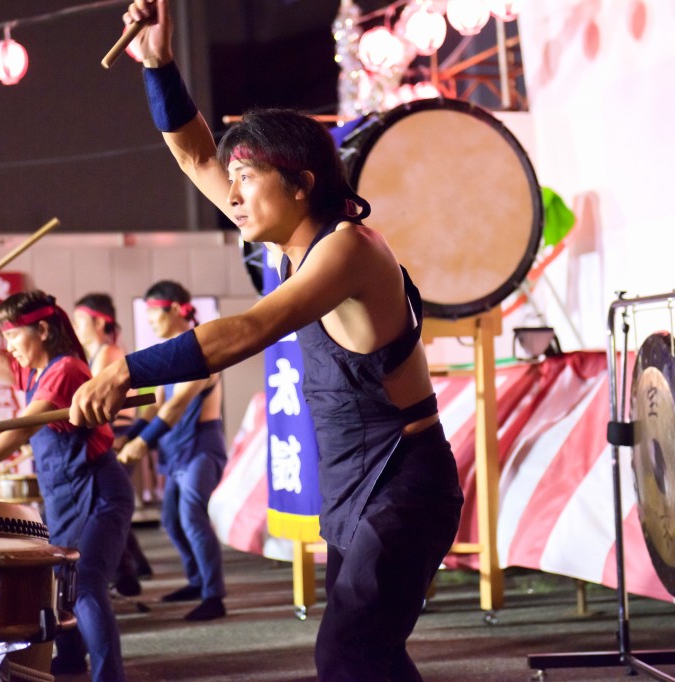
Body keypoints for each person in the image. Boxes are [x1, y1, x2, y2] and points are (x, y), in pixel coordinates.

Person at [71, 2, 463, 679]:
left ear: (301, 184)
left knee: (348, 652)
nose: (236, 193)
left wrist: (124, 372)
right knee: (369, 654)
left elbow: (247, 330)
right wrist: (160, 63)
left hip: (404, 481)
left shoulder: (349, 248)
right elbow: (194, 151)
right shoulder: (289, 242)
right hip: (356, 480)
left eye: (249, 178)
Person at [0, 272, 132, 682]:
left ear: (43, 330)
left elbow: (23, 426)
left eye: (15, 337)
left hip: (99, 491)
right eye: (7, 340)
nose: (10, 348)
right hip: (65, 495)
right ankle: (69, 660)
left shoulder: (65, 370)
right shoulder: (31, 372)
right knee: (61, 585)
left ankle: (109, 676)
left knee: (85, 587)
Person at [117, 281, 226, 621]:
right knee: (171, 520)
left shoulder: (202, 350)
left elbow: (177, 405)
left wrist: (142, 442)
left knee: (192, 516)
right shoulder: (171, 351)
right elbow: (155, 405)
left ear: (177, 309)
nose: (150, 319)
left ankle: (214, 595)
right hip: (177, 446)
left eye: (154, 311)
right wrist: (128, 435)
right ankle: (197, 580)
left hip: (201, 446)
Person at [73, 293, 154, 596]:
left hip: (117, 434)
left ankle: (127, 572)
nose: (76, 327)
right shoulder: (98, 353)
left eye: (80, 320)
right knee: (113, 507)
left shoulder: (108, 354)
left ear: (97, 321)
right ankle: (132, 569)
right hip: (111, 434)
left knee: (110, 506)